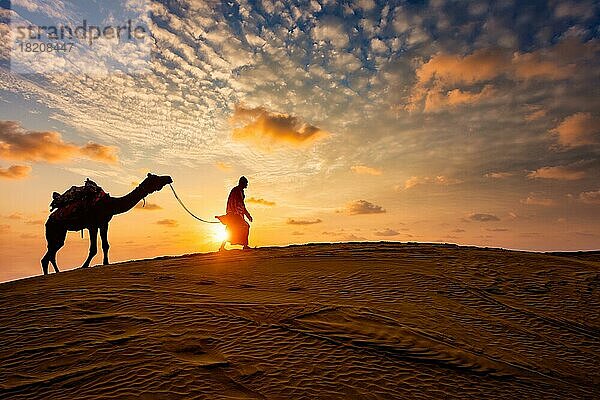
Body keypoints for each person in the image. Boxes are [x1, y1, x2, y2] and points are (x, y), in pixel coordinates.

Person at [216, 176, 253, 250]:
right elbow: (232, 202)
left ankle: (222, 247)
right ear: (242, 183)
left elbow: (242, 205)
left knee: (231, 229)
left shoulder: (241, 191)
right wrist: (234, 214)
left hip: (238, 214)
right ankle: (245, 246)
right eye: (246, 183)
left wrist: (247, 215)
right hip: (234, 214)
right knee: (243, 227)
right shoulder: (235, 190)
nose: (247, 185)